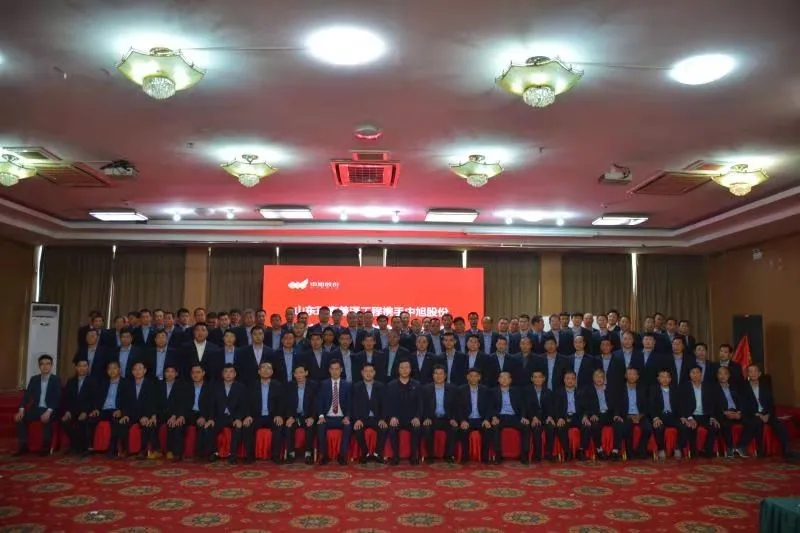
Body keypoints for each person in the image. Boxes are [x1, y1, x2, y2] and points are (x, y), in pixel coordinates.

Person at [13, 354, 61, 456]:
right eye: (42, 364)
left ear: (51, 365)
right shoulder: (34, 379)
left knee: (46, 419)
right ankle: (23, 446)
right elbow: (26, 396)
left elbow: (56, 398)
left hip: (50, 409)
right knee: (20, 419)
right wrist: (21, 410)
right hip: (36, 409)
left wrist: (48, 412)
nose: (45, 366)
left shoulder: (56, 380)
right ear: (39, 366)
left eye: (48, 364)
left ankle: (46, 447)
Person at [740, 364, 791, 457]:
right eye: (750, 371)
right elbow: (743, 405)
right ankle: (760, 450)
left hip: (765, 413)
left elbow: (771, 403)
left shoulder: (765, 386)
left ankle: (786, 449)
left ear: (759, 373)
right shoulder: (743, 387)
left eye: (755, 371)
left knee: (778, 424)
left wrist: (768, 414)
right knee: (757, 422)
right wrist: (758, 414)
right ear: (747, 374)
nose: (753, 373)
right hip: (751, 413)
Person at [243, 361, 284, 464]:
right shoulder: (252, 385)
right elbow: (247, 402)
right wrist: (248, 415)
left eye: (268, 368)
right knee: (247, 426)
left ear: (272, 372)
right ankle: (250, 456)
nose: (266, 370)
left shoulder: (278, 385)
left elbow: (281, 402)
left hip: (272, 416)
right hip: (256, 416)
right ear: (259, 371)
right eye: (263, 368)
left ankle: (276, 456)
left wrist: (279, 415)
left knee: (278, 426)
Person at [118, 361, 160, 459]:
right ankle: (125, 450)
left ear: (144, 371)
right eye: (135, 369)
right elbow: (124, 402)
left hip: (145, 414)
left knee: (147, 425)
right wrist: (125, 414)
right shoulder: (127, 385)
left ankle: (143, 451)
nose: (137, 371)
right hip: (131, 414)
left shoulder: (151, 385)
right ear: (132, 372)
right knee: (122, 423)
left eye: (140, 369)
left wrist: (147, 416)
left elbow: (152, 403)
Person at [580, 368, 623, 460]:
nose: (599, 379)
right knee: (594, 424)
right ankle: (599, 449)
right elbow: (585, 405)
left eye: (601, 377)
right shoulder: (588, 389)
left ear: (604, 379)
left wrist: (616, 414)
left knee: (619, 423)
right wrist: (591, 414)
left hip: (609, 414)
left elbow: (616, 404)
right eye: (597, 376)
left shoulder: (610, 389)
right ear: (593, 378)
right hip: (597, 415)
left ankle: (615, 451)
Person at [419, 365, 459, 463]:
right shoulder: (425, 389)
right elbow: (422, 406)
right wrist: (426, 418)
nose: (438, 376)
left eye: (441, 374)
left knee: (454, 428)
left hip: (447, 418)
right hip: (431, 418)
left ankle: (448, 455)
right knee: (426, 428)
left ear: (445, 376)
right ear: (433, 375)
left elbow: (456, 406)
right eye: (436, 373)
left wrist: (453, 418)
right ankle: (430, 455)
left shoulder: (452, 389)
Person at [316, 359, 352, 465]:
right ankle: (324, 455)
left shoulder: (347, 385)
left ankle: (342, 456)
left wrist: (347, 417)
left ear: (341, 370)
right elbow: (319, 401)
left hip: (341, 418)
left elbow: (350, 403)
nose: (335, 371)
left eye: (337, 369)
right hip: (327, 418)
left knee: (348, 426)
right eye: (332, 369)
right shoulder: (323, 384)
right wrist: (321, 416)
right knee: (320, 426)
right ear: (329, 370)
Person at [385, 360, 422, 465]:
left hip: (412, 418)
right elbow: (388, 404)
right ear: (398, 370)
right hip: (397, 418)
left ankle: (413, 456)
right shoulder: (391, 385)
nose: (404, 370)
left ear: (410, 369)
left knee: (416, 428)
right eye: (402, 368)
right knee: (392, 428)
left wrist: (417, 417)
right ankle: (395, 456)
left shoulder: (417, 385)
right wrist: (392, 417)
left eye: (407, 367)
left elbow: (420, 404)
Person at [490, 371, 531, 464]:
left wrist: (523, 417)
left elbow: (523, 406)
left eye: (507, 378)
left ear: (510, 380)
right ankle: (498, 455)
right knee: (495, 427)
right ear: (498, 380)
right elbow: (490, 407)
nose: (504, 380)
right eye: (502, 377)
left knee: (526, 427)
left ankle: (524, 454)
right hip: (500, 417)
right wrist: (493, 417)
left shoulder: (517, 391)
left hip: (514, 417)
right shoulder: (493, 391)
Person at [679, 365, 719, 458]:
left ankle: (707, 450)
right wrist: (689, 418)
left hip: (705, 415)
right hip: (692, 415)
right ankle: (693, 452)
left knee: (714, 427)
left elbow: (713, 403)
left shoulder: (708, 387)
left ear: (701, 374)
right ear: (689, 374)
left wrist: (712, 417)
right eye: (693, 373)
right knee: (692, 427)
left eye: (697, 372)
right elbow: (682, 404)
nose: (695, 375)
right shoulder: (684, 387)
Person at [351, 363, 388, 463]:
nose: (368, 374)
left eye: (371, 371)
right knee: (357, 428)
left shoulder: (381, 386)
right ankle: (365, 453)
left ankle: (377, 453)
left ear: (374, 373)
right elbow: (354, 405)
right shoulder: (356, 387)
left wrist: (383, 419)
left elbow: (384, 404)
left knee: (384, 428)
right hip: (362, 418)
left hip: (376, 418)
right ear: (362, 373)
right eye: (366, 371)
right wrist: (357, 419)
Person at [212, 364, 248, 464]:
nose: (228, 374)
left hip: (234, 417)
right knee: (209, 427)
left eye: (231, 372)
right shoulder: (216, 387)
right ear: (222, 374)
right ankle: (214, 453)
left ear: (235, 374)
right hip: (219, 417)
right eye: (225, 372)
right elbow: (212, 404)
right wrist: (210, 418)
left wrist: (239, 418)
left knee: (237, 429)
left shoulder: (241, 387)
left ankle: (233, 454)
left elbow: (243, 405)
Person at [456, 368, 492, 464]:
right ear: (467, 377)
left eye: (476, 376)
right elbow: (458, 408)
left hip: (481, 419)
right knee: (463, 430)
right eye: (471, 376)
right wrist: (462, 420)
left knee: (488, 430)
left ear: (479, 377)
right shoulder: (461, 390)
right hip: (467, 419)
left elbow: (489, 407)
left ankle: (485, 457)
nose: (473, 378)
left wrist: (487, 419)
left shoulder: (485, 389)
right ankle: (465, 456)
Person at [283, 365, 318, 464]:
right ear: (294, 375)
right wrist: (290, 417)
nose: (299, 375)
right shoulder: (289, 386)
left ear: (306, 373)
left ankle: (308, 454)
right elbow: (286, 404)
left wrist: (312, 417)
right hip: (294, 416)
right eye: (296, 373)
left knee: (310, 426)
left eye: (301, 372)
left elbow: (316, 404)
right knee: (288, 426)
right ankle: (291, 453)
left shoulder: (313, 385)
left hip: (308, 416)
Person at [61, 359, 96, 455]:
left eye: (85, 366)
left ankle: (83, 447)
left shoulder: (93, 381)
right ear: (76, 368)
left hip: (87, 411)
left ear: (88, 368)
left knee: (82, 421)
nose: (82, 368)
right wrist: (67, 411)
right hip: (72, 410)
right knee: (64, 422)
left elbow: (93, 399)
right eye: (80, 366)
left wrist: (85, 412)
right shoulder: (71, 381)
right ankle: (75, 445)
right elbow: (66, 398)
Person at [618, 367, 652, 459]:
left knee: (648, 428)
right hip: (626, 415)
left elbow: (648, 405)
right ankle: (629, 452)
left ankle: (641, 449)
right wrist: (628, 416)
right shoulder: (620, 389)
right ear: (625, 375)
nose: (632, 376)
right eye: (629, 374)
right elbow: (618, 406)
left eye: (634, 374)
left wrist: (640, 415)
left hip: (640, 415)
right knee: (627, 427)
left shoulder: (643, 388)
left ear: (637, 376)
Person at [158, 363, 189, 461]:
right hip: (161, 413)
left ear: (176, 374)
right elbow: (154, 402)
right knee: (150, 424)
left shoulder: (182, 385)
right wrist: (153, 415)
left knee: (176, 425)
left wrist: (175, 415)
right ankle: (155, 450)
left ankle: (176, 453)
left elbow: (183, 403)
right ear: (164, 373)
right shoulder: (159, 385)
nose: (170, 374)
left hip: (176, 413)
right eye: (167, 371)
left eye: (172, 372)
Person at [525, 369, 553, 461]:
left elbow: (551, 406)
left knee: (551, 427)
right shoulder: (527, 391)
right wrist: (533, 417)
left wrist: (550, 416)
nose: (537, 379)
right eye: (535, 377)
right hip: (533, 417)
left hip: (545, 417)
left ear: (544, 379)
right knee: (536, 428)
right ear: (531, 379)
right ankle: (537, 454)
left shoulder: (548, 392)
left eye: (540, 377)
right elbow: (527, 407)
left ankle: (548, 453)